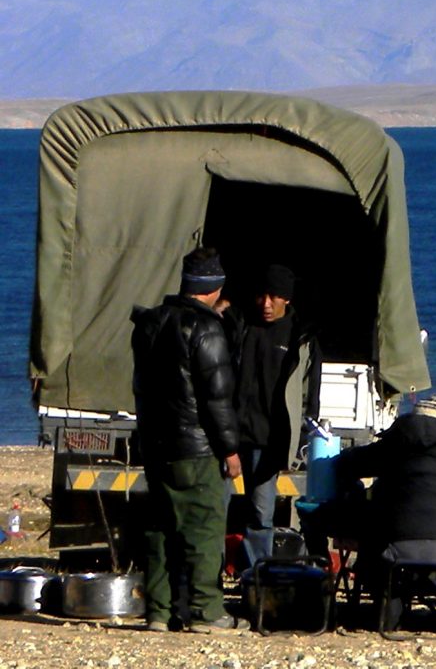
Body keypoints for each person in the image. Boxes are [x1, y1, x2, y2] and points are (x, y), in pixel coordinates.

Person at [130, 247, 245, 632]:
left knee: (162, 529)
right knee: (204, 529)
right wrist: (229, 449)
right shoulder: (206, 328)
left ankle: (158, 613)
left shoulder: (150, 324)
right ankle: (206, 612)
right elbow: (217, 399)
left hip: (156, 443)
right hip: (196, 448)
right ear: (214, 287)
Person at [337, 395, 436, 591]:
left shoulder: (392, 445)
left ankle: (386, 608)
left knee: (374, 532)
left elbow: (348, 463)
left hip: (396, 543)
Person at [226, 263, 306, 569]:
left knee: (261, 513)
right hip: (231, 434)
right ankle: (213, 579)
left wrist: (295, 441)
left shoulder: (300, 336)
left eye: (274, 297)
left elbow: (309, 394)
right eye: (261, 296)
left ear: (287, 299)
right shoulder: (242, 324)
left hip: (267, 439)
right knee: (216, 509)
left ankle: (256, 578)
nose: (266, 304)